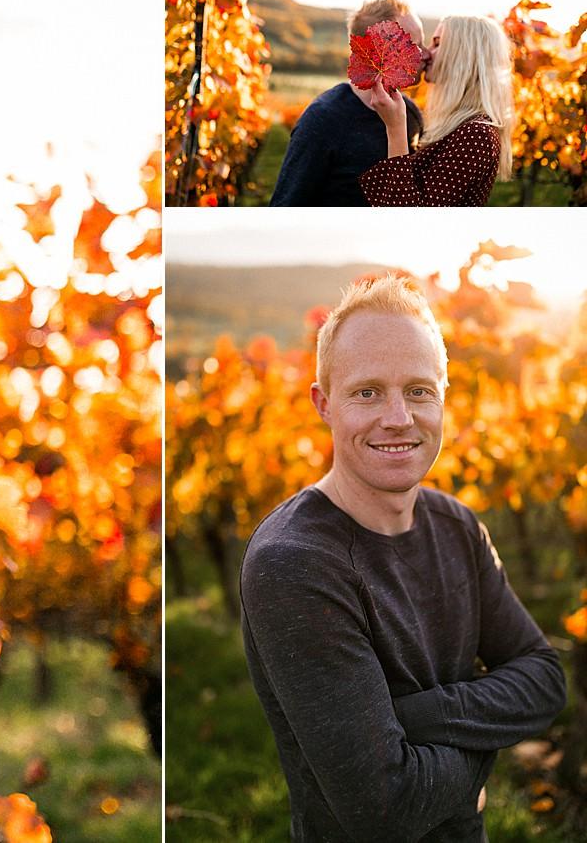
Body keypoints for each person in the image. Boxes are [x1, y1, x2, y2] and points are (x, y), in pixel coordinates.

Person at [239, 274, 565, 841]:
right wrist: (481, 759)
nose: (398, 417)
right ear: (323, 404)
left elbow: (543, 678)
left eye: (419, 390)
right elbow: (384, 810)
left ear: (443, 395)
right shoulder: (294, 563)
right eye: (367, 392)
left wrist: (415, 718)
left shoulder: (457, 525)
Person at [270, 0, 427, 206]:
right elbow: (286, 205)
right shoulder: (322, 119)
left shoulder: (411, 115)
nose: (426, 54)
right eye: (415, 45)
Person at [358, 16, 514, 206]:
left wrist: (395, 128)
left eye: (437, 44)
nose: (427, 54)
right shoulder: (458, 127)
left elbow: (411, 221)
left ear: (463, 54)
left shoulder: (477, 136)